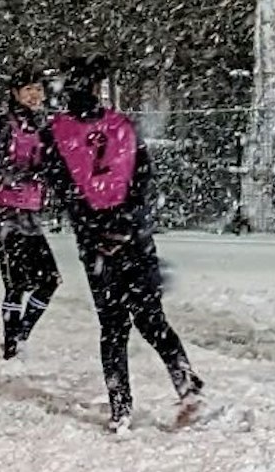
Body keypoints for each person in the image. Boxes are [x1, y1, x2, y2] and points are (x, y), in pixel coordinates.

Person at [47, 60, 204, 432]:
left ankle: (124, 406)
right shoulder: (114, 128)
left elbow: (68, 189)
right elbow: (137, 179)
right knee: (146, 319)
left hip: (108, 236)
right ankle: (180, 389)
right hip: (123, 234)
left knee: (117, 324)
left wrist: (102, 228)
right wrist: (123, 223)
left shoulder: (74, 131)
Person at [0, 68, 62, 359]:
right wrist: (32, 174)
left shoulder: (44, 127)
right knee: (16, 284)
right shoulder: (4, 126)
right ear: (15, 94)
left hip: (30, 213)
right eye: (27, 89)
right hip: (3, 212)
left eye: (38, 88)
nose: (35, 95)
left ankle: (21, 335)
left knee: (50, 280)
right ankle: (12, 348)